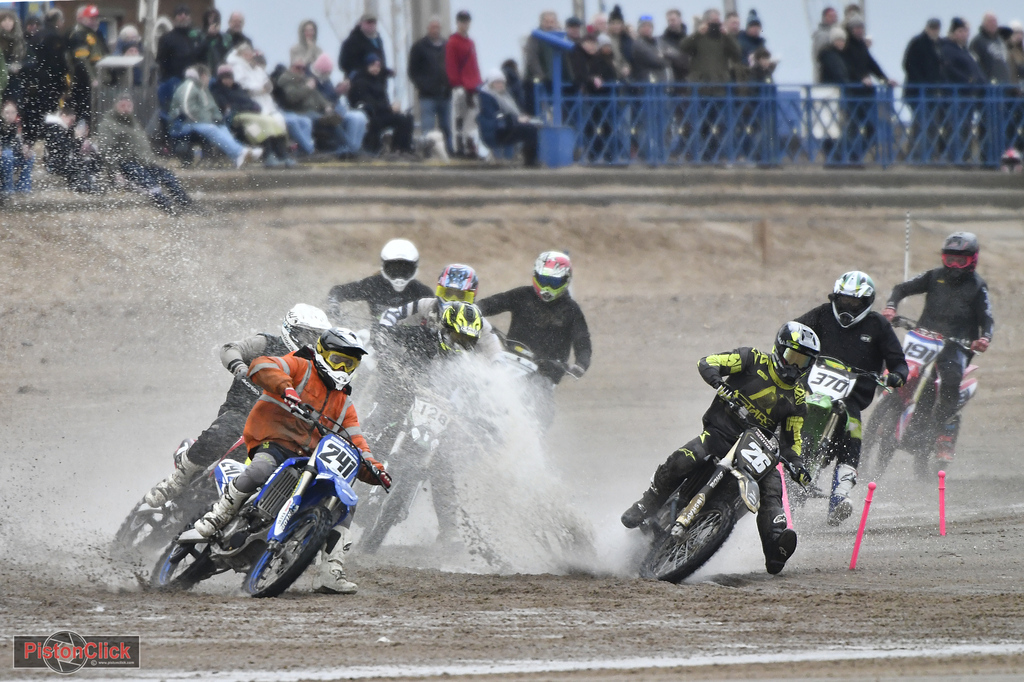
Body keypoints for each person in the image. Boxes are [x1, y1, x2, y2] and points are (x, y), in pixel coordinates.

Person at [195, 327, 391, 595]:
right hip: (273, 440)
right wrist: (286, 388)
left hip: (309, 458)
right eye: (338, 360)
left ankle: (330, 571)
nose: (343, 367)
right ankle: (219, 515)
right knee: (260, 468)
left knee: (346, 502)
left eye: (350, 363)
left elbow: (358, 443)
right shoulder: (300, 366)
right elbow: (262, 364)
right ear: (321, 353)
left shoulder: (345, 404)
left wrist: (376, 470)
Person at [621, 322, 820, 575]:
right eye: (792, 357)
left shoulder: (799, 397)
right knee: (682, 460)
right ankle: (647, 503)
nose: (794, 367)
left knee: (772, 491)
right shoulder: (751, 358)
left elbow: (792, 440)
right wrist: (718, 382)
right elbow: (707, 362)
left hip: (759, 450)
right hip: (721, 433)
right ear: (779, 350)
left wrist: (798, 465)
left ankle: (775, 548)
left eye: (802, 363)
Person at [145, 304, 332, 508]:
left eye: (316, 339)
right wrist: (241, 368)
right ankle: (177, 481)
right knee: (226, 431)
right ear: (292, 330)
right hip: (240, 412)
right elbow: (230, 349)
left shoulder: (314, 370)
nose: (311, 343)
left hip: (274, 431)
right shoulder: (267, 343)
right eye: (307, 336)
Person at [794, 272, 908, 525]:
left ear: (866, 303)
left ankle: (839, 497)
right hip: (811, 388)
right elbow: (794, 332)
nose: (848, 307)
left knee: (853, 433)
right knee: (784, 411)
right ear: (835, 297)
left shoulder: (878, 325)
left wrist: (897, 375)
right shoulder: (822, 314)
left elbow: (898, 361)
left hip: (851, 397)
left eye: (855, 303)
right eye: (844, 300)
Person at [882, 233, 994, 462]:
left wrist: (984, 339)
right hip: (923, 339)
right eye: (950, 259)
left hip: (957, 346)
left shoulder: (978, 286)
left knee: (949, 381)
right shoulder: (934, 276)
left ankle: (944, 436)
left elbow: (987, 319)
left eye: (960, 260)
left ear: (972, 260)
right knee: (894, 364)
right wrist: (891, 308)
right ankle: (890, 408)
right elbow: (901, 288)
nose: (954, 265)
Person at [477, 250, 591, 389]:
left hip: (547, 371)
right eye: (543, 280)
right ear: (535, 276)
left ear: (565, 281)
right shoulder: (523, 295)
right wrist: (472, 310)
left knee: (539, 387)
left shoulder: (571, 310)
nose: (547, 288)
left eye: (553, 282)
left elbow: (582, 341)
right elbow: (493, 303)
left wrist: (581, 364)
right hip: (513, 359)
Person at [97, 93, 195, 213]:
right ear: (115, 106)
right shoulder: (108, 125)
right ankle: (169, 209)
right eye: (122, 105)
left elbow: (142, 146)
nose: (126, 109)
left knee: (168, 177)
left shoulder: (133, 122)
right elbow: (106, 150)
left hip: (145, 163)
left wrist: (152, 161)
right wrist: (115, 171)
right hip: (126, 164)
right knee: (150, 184)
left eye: (129, 105)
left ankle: (187, 205)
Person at [379, 263, 503, 358]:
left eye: (460, 296)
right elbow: (394, 313)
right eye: (448, 293)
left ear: (472, 296)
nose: (453, 301)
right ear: (439, 290)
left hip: (456, 376)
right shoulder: (426, 304)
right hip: (419, 363)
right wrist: (383, 329)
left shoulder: (478, 322)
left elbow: (496, 355)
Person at [169, 64, 261, 168]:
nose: (209, 79)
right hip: (182, 124)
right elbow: (187, 108)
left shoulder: (203, 89)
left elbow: (213, 108)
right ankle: (240, 152)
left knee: (222, 127)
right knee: (211, 128)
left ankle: (238, 156)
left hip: (199, 122)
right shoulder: (189, 85)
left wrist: (218, 119)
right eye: (208, 77)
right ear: (203, 76)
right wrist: (207, 121)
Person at [327, 238, 433, 323]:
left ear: (415, 268)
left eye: (405, 270)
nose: (399, 277)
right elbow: (337, 291)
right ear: (384, 267)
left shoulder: (423, 293)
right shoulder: (373, 285)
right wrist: (333, 306)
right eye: (394, 270)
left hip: (414, 347)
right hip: (376, 345)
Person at [210, 64, 295, 168]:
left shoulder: (238, 88)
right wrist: (245, 107)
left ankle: (282, 154)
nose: (228, 81)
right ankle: (268, 155)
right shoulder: (217, 91)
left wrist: (251, 106)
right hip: (235, 117)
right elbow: (227, 106)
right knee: (259, 125)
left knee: (272, 122)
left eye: (230, 77)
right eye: (225, 78)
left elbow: (250, 102)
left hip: (250, 113)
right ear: (220, 79)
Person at [348, 53, 414, 154]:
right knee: (400, 119)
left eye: (378, 66)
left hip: (383, 112)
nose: (376, 68)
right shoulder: (361, 82)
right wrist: (389, 108)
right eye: (373, 65)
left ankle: (402, 148)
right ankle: (395, 148)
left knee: (407, 118)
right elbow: (369, 103)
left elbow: (384, 101)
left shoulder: (378, 81)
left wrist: (393, 108)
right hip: (372, 115)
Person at [309, 53, 369, 157]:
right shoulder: (313, 81)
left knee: (360, 117)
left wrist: (339, 91)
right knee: (350, 118)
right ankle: (350, 149)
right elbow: (321, 99)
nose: (328, 74)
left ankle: (354, 147)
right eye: (327, 72)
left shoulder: (326, 81)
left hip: (336, 110)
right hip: (323, 112)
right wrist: (337, 92)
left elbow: (331, 96)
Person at [408, 17, 452, 156]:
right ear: (428, 28)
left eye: (437, 27)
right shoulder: (419, 46)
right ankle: (427, 154)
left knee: (446, 126)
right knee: (427, 126)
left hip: (445, 93)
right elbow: (412, 71)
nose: (435, 30)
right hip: (427, 95)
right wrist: (423, 85)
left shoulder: (447, 45)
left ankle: (448, 152)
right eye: (433, 27)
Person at [477, 68, 539, 166]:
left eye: (502, 82)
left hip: (506, 126)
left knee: (532, 128)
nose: (500, 85)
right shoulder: (486, 97)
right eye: (497, 82)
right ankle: (529, 161)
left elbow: (511, 113)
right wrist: (516, 119)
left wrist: (521, 118)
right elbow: (495, 116)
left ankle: (531, 161)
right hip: (495, 130)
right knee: (529, 129)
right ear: (490, 83)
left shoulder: (505, 95)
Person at [446, 10, 482, 158]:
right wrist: (457, 84)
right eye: (461, 22)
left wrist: (478, 83)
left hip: (473, 87)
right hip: (460, 87)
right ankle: (459, 148)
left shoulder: (471, 42)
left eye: (466, 22)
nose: (464, 25)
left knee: (472, 120)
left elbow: (474, 65)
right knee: (458, 119)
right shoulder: (453, 42)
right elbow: (451, 65)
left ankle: (470, 147)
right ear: (457, 23)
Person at [67, 4, 108, 122]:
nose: (95, 21)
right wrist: (92, 79)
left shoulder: (95, 34)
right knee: (85, 113)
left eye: (96, 18)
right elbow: (81, 60)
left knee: (96, 113)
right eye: (91, 18)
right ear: (83, 19)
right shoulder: (79, 34)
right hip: (84, 82)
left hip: (99, 80)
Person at [157, 5, 202, 84]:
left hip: (194, 80)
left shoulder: (197, 37)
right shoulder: (166, 39)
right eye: (180, 14)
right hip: (173, 80)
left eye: (186, 14)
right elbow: (162, 61)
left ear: (190, 18)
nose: (183, 16)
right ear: (174, 18)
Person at [340, 13, 387, 78]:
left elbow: (382, 61)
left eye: (374, 23)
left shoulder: (378, 40)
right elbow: (344, 64)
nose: (371, 25)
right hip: (358, 83)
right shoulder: (352, 41)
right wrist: (364, 71)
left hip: (377, 82)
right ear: (361, 24)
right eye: (368, 22)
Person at [970, 13, 1013, 85]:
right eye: (990, 21)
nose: (993, 24)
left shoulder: (999, 41)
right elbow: (974, 63)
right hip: (988, 86)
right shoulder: (978, 41)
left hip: (1004, 84)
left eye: (995, 21)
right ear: (984, 23)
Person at [1, 100, 33, 194]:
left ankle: (24, 187)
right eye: (7, 112)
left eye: (12, 112)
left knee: (30, 156)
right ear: (2, 113)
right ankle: (7, 188)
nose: (9, 115)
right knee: (8, 155)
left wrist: (24, 148)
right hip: (4, 157)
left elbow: (15, 142)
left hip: (9, 156)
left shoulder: (15, 126)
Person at [631, 15, 671, 83]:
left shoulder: (659, 42)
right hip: (647, 85)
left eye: (649, 26)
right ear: (639, 28)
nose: (647, 28)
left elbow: (674, 54)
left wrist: (665, 56)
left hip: (663, 84)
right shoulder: (638, 44)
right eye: (644, 26)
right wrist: (668, 59)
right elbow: (655, 61)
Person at [197, 9, 232, 73]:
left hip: (220, 72)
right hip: (205, 71)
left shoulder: (224, 37)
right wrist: (209, 36)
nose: (213, 20)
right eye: (211, 17)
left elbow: (227, 54)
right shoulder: (199, 34)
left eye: (216, 18)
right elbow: (197, 52)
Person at [812, 7, 839, 82]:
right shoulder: (820, 35)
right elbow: (819, 56)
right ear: (824, 18)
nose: (834, 19)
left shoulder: (839, 33)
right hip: (824, 75)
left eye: (835, 16)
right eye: (830, 16)